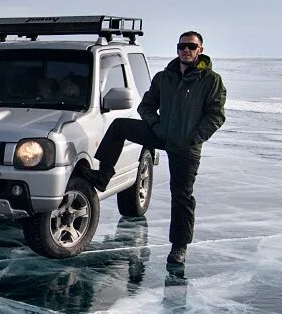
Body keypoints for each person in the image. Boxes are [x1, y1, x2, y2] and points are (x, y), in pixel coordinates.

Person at [85, 31, 226, 266]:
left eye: (191, 46)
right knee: (120, 126)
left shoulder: (211, 80)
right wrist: (155, 124)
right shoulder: (164, 77)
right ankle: (103, 175)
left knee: (181, 196)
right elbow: (146, 105)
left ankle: (179, 247)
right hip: (161, 134)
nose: (186, 50)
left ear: (200, 49)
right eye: (182, 46)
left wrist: (194, 137)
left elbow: (216, 115)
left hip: (186, 147)